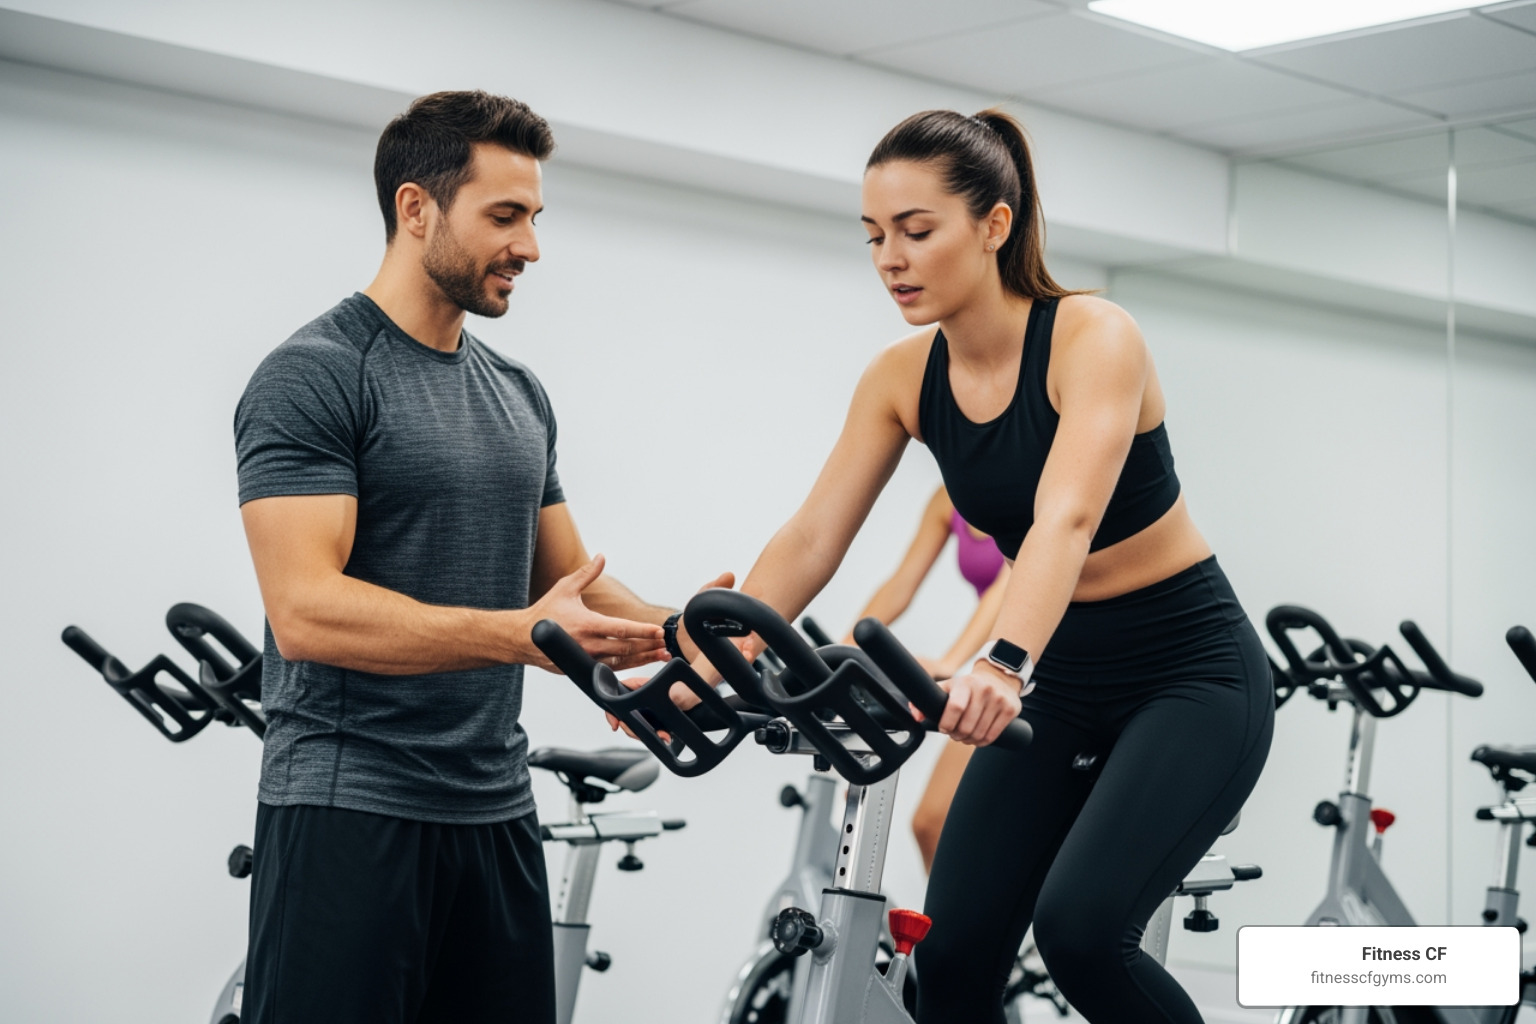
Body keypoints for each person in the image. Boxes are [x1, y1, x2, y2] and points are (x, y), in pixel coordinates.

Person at [686, 108, 1275, 1023]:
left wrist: (1002, 661)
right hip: (1066, 677)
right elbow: (812, 538)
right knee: (952, 956)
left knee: (1081, 930)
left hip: (1189, 670)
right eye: (876, 236)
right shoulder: (899, 377)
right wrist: (711, 656)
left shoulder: (1092, 335)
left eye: (917, 232)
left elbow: (1066, 518)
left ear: (994, 225)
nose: (891, 257)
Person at [233, 90, 722, 1024]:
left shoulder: (517, 393)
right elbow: (304, 609)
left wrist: (681, 632)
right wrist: (523, 636)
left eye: (534, 217)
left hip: (495, 812)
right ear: (416, 209)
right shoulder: (317, 373)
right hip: (350, 805)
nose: (530, 246)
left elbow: (564, 583)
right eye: (505, 216)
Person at [839, 484, 1008, 872]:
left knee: (936, 820)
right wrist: (844, 650)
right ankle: (955, 933)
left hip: (1043, 664)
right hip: (997, 665)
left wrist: (951, 661)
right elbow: (902, 583)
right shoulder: (951, 497)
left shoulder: (1030, 490)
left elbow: (1009, 589)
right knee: (931, 825)